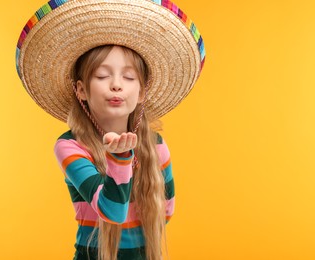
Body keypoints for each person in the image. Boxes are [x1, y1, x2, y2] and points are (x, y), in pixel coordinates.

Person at [15, 1, 205, 259]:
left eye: (128, 77)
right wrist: (120, 158)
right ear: (81, 90)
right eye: (103, 76)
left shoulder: (156, 145)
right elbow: (112, 212)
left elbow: (165, 212)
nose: (116, 85)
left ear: (141, 92)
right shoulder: (70, 146)